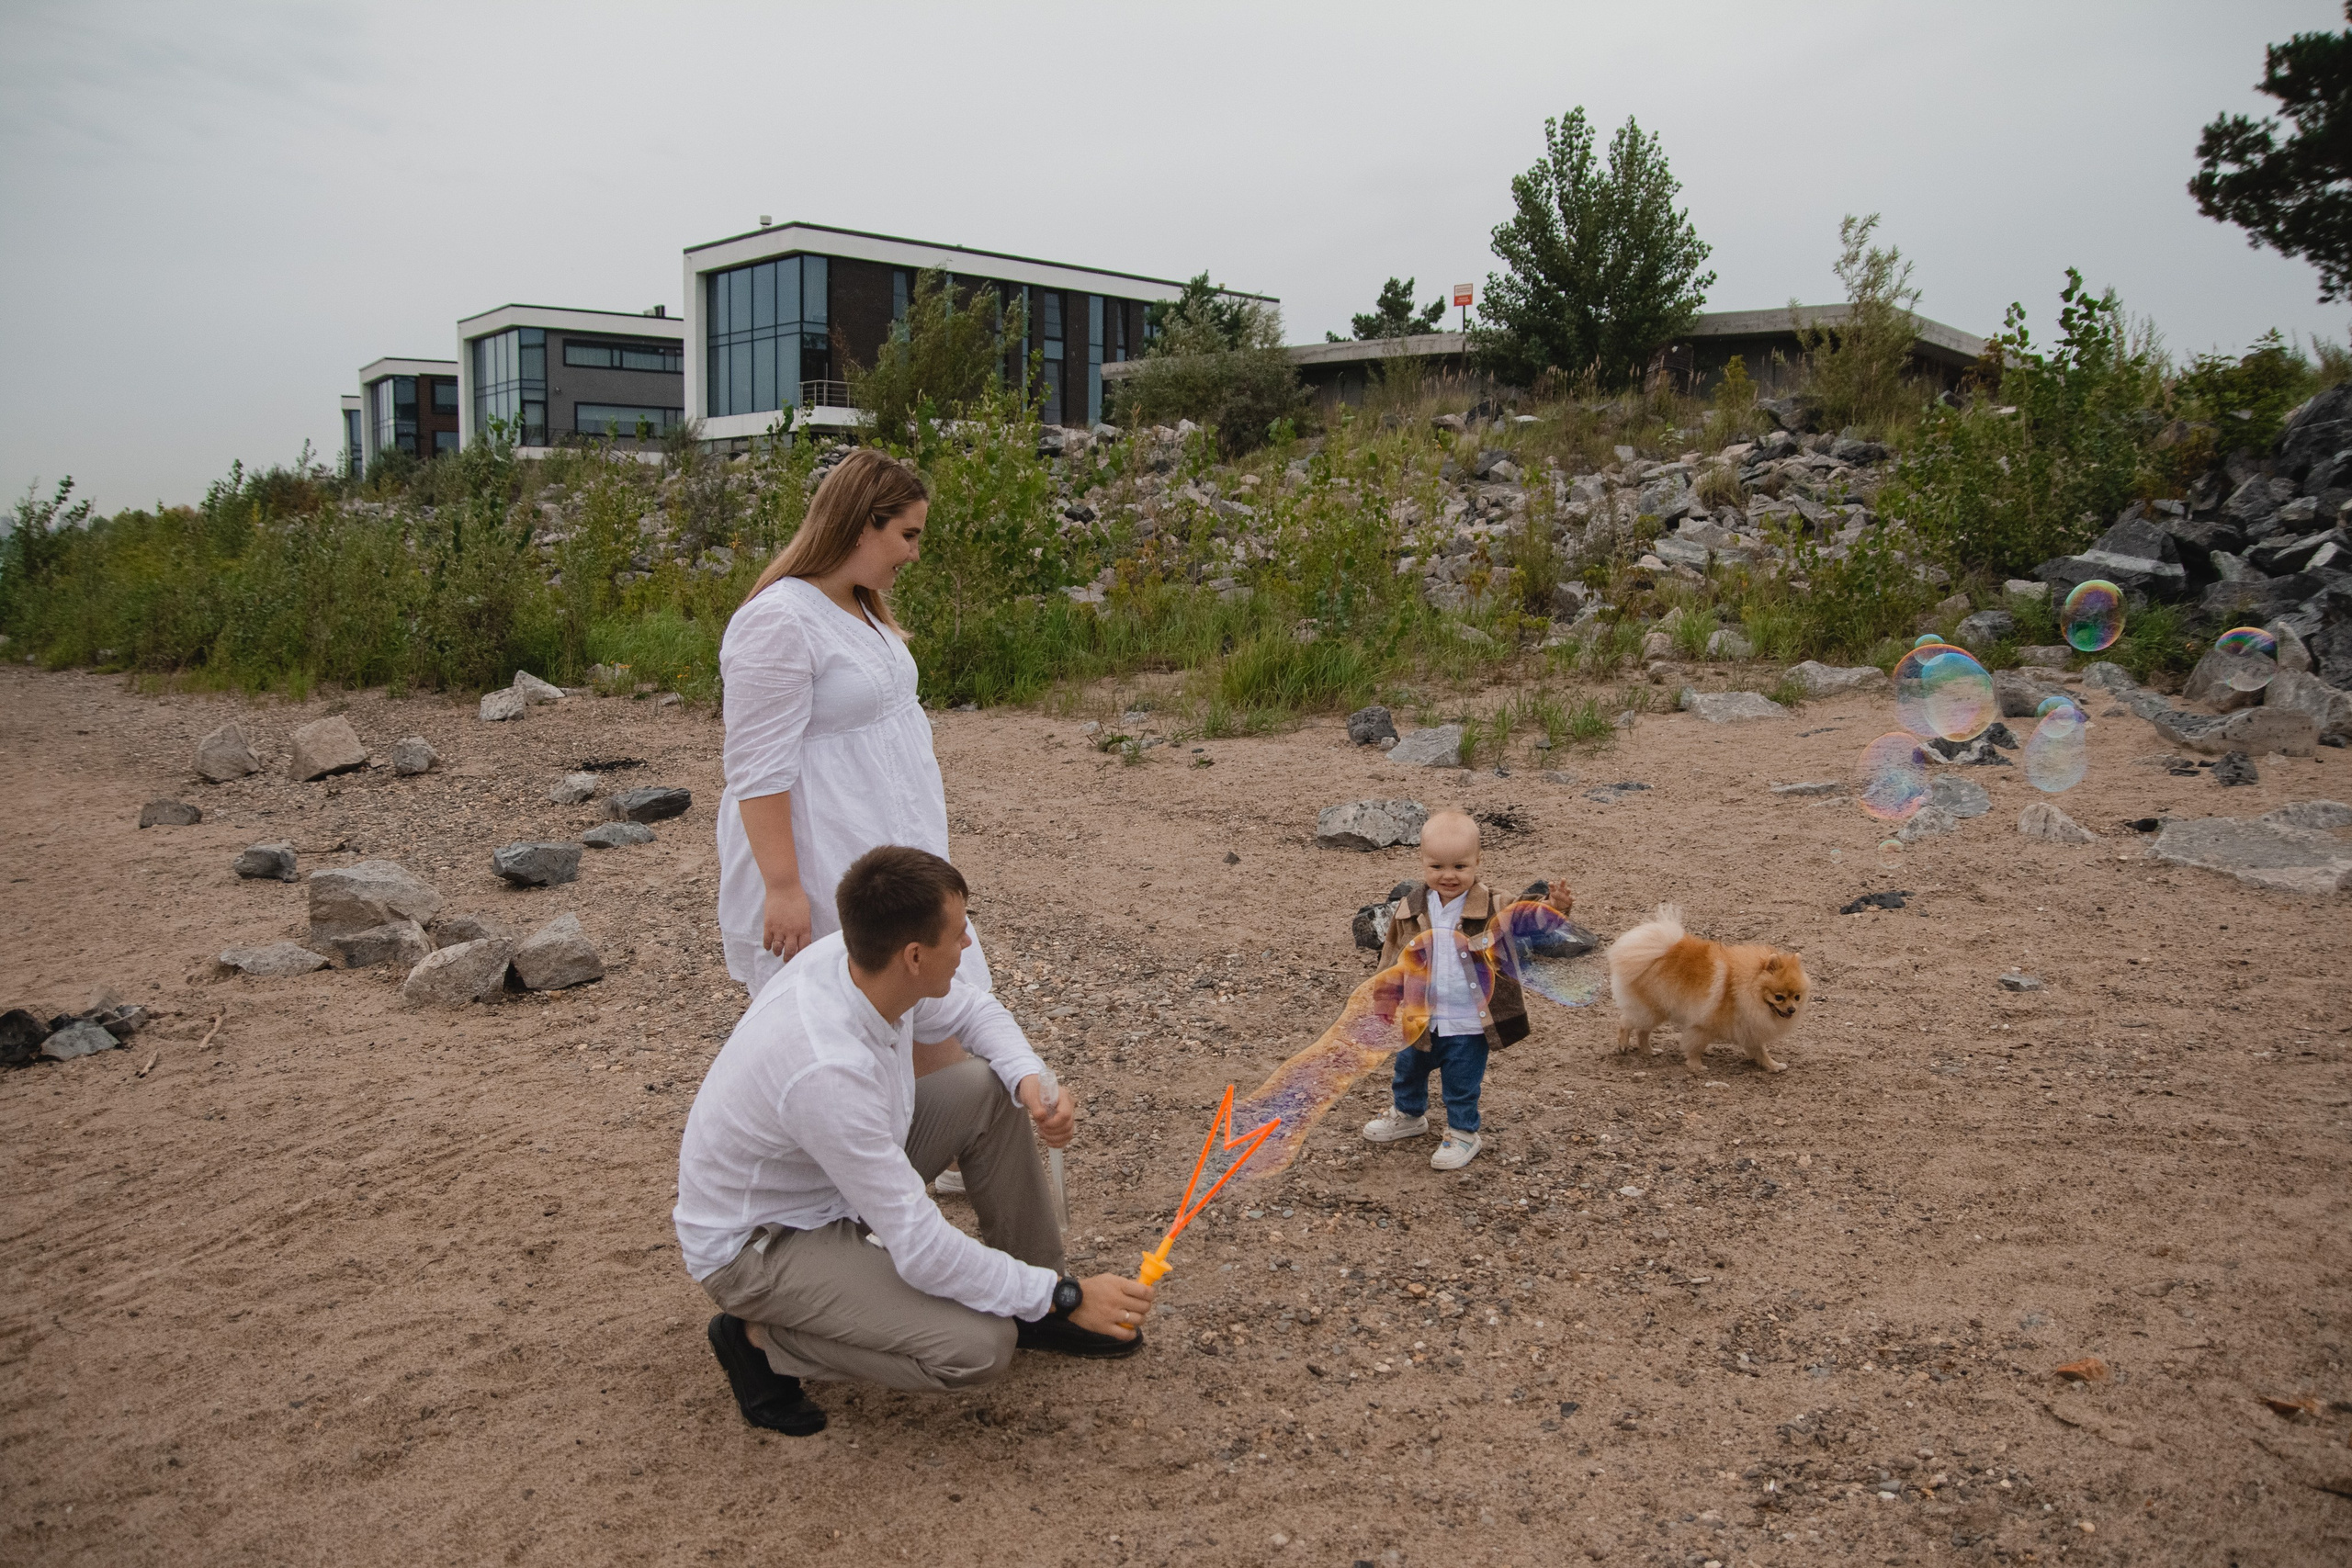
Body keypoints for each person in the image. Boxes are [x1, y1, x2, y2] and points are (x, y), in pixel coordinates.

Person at [675, 845, 1156, 1435]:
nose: (968, 946)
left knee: (988, 1085)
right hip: (762, 1244)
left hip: (832, 1178)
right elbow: (922, 1248)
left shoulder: (856, 959)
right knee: (979, 1346)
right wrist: (1069, 1297)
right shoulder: (826, 1070)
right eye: (958, 934)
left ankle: (1036, 1295)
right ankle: (760, 1339)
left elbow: (974, 1011)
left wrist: (1029, 1079)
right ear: (913, 955)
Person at [717, 448, 986, 1043]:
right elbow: (758, 769)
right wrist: (784, 888)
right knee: (842, 1021)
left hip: (885, 837)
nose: (915, 552)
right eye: (907, 533)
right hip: (826, 850)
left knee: (921, 1016)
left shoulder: (861, 605)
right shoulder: (779, 619)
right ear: (864, 522)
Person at [1360, 809, 1572, 1171]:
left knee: (1461, 1080)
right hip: (1421, 1014)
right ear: (1422, 863)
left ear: (1477, 862)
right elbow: (1393, 956)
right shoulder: (1409, 908)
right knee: (1409, 1068)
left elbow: (1525, 920)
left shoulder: (1493, 904)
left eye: (1460, 866)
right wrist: (1384, 998)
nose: (1448, 875)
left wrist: (1553, 908)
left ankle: (1463, 1131)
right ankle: (1409, 1115)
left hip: (1470, 1017)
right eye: (1437, 866)